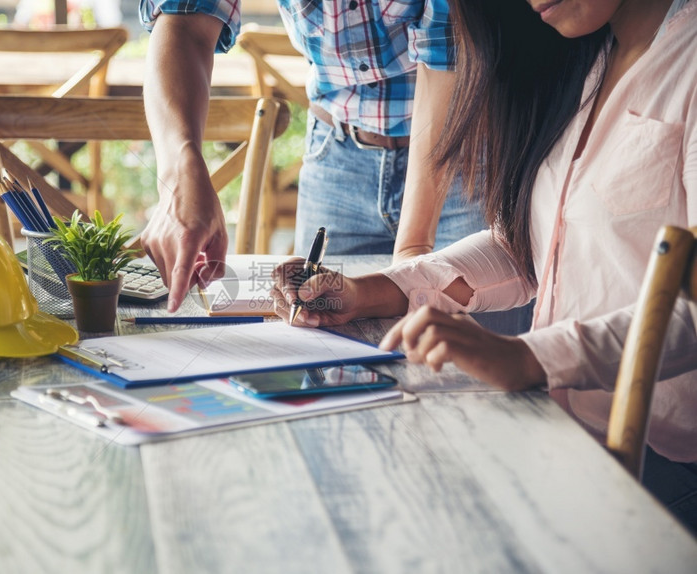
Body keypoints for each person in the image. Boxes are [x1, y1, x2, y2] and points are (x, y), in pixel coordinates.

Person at [272, 0, 697, 534]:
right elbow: (530, 245)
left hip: (662, 461)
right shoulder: (584, 56)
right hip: (561, 430)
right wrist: (372, 291)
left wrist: (531, 357)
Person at [138, 0, 490, 313]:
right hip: (336, 158)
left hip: (467, 154)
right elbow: (186, 21)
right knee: (324, 339)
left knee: (478, 363)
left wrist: (412, 257)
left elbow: (447, 54)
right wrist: (180, 170)